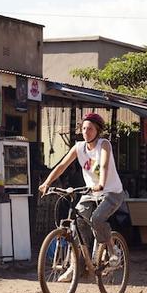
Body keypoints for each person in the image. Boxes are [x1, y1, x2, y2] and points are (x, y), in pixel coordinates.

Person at [38, 113, 126, 277]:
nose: (86, 132)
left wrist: (101, 183)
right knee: (77, 223)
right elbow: (62, 165)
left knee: (97, 219)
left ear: (97, 131)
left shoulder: (104, 144)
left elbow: (105, 165)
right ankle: (75, 264)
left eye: (90, 129)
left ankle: (113, 250)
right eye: (84, 128)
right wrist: (47, 183)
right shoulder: (78, 147)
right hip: (90, 192)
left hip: (112, 192)